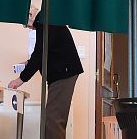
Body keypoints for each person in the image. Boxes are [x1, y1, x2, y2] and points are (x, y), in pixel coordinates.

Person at [8, 10, 83, 139]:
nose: (29, 28)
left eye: (26, 25)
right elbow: (45, 51)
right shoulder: (46, 20)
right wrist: (28, 64)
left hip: (63, 73)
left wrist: (21, 79)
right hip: (63, 73)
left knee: (53, 120)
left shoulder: (44, 20)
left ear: (30, 15)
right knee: (53, 119)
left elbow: (40, 52)